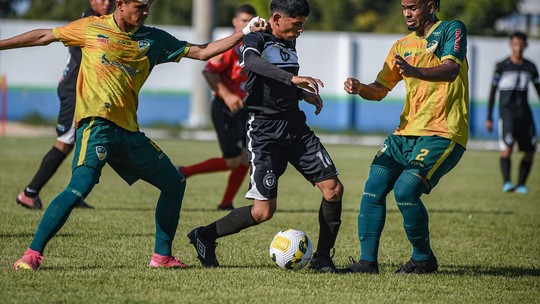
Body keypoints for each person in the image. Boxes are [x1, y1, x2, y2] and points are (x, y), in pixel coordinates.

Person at [5, 0, 267, 270]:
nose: (145, 12)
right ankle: (32, 254)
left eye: (148, 7)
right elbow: (43, 36)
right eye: (140, 6)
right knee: (79, 187)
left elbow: (202, 52)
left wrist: (243, 33)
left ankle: (162, 257)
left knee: (174, 183)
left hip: (129, 132)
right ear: (120, 4)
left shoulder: (153, 39)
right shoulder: (91, 28)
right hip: (97, 127)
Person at [187, 0, 344, 273]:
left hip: (295, 128)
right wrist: (293, 80)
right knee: (263, 212)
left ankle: (322, 258)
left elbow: (277, 83)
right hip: (264, 132)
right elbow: (252, 63)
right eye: (297, 25)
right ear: (277, 18)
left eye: (302, 25)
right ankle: (204, 235)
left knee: (333, 189)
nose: (300, 31)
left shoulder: (289, 42)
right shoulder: (256, 38)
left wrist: (301, 94)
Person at [340, 0, 469, 274]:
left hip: (442, 132)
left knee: (405, 191)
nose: (407, 13)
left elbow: (451, 69)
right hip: (405, 133)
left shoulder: (451, 29)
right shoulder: (402, 46)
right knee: (373, 187)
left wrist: (414, 71)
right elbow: (379, 89)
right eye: (403, 8)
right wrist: (360, 87)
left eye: (413, 7)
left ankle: (423, 259)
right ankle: (366, 263)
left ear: (431, 6)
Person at [16, 0, 114, 210]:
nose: (107, 3)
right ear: (92, 1)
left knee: (80, 142)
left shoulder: (100, 21)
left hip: (83, 90)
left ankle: (75, 194)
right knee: (65, 142)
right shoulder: (89, 22)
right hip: (75, 90)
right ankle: (29, 193)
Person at [179, 4, 256, 211]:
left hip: (244, 109)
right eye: (243, 20)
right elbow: (209, 72)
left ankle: (226, 203)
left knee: (246, 159)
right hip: (225, 109)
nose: (247, 24)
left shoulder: (253, 44)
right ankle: (184, 171)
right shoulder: (230, 45)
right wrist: (227, 94)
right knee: (233, 161)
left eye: (250, 20)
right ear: (234, 22)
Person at [486, 31, 540, 194]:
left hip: (525, 114)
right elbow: (492, 92)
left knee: (530, 150)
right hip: (507, 113)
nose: (518, 47)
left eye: (521, 44)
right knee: (507, 148)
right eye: (515, 43)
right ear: (511, 45)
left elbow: (538, 90)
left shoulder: (530, 67)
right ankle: (507, 183)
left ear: (525, 45)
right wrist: (489, 117)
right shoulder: (501, 66)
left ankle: (521, 184)